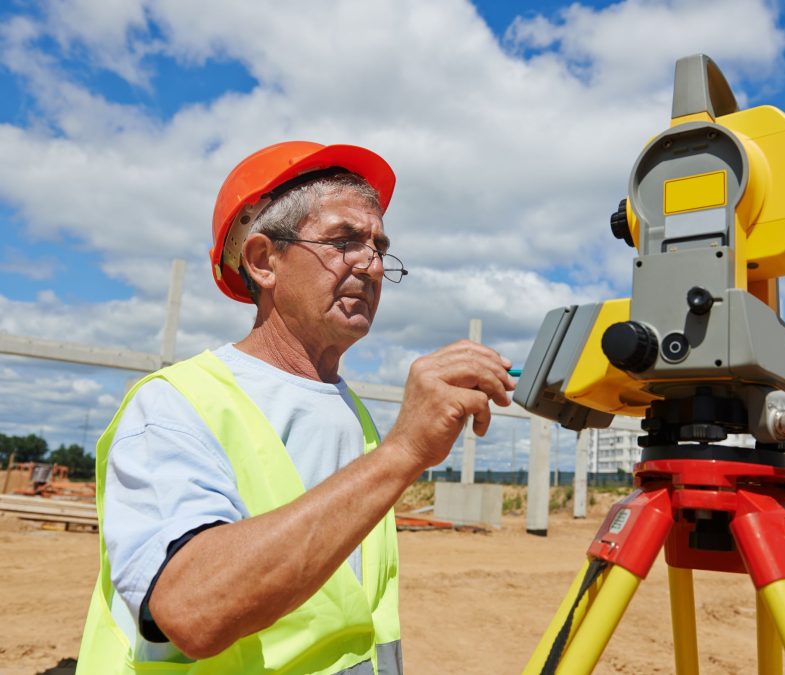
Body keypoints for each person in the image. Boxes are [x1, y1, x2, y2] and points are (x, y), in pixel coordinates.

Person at [76, 141, 515, 673]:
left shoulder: (352, 413)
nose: (371, 266)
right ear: (263, 261)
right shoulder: (177, 403)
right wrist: (405, 450)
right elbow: (190, 610)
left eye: (378, 247)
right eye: (343, 241)